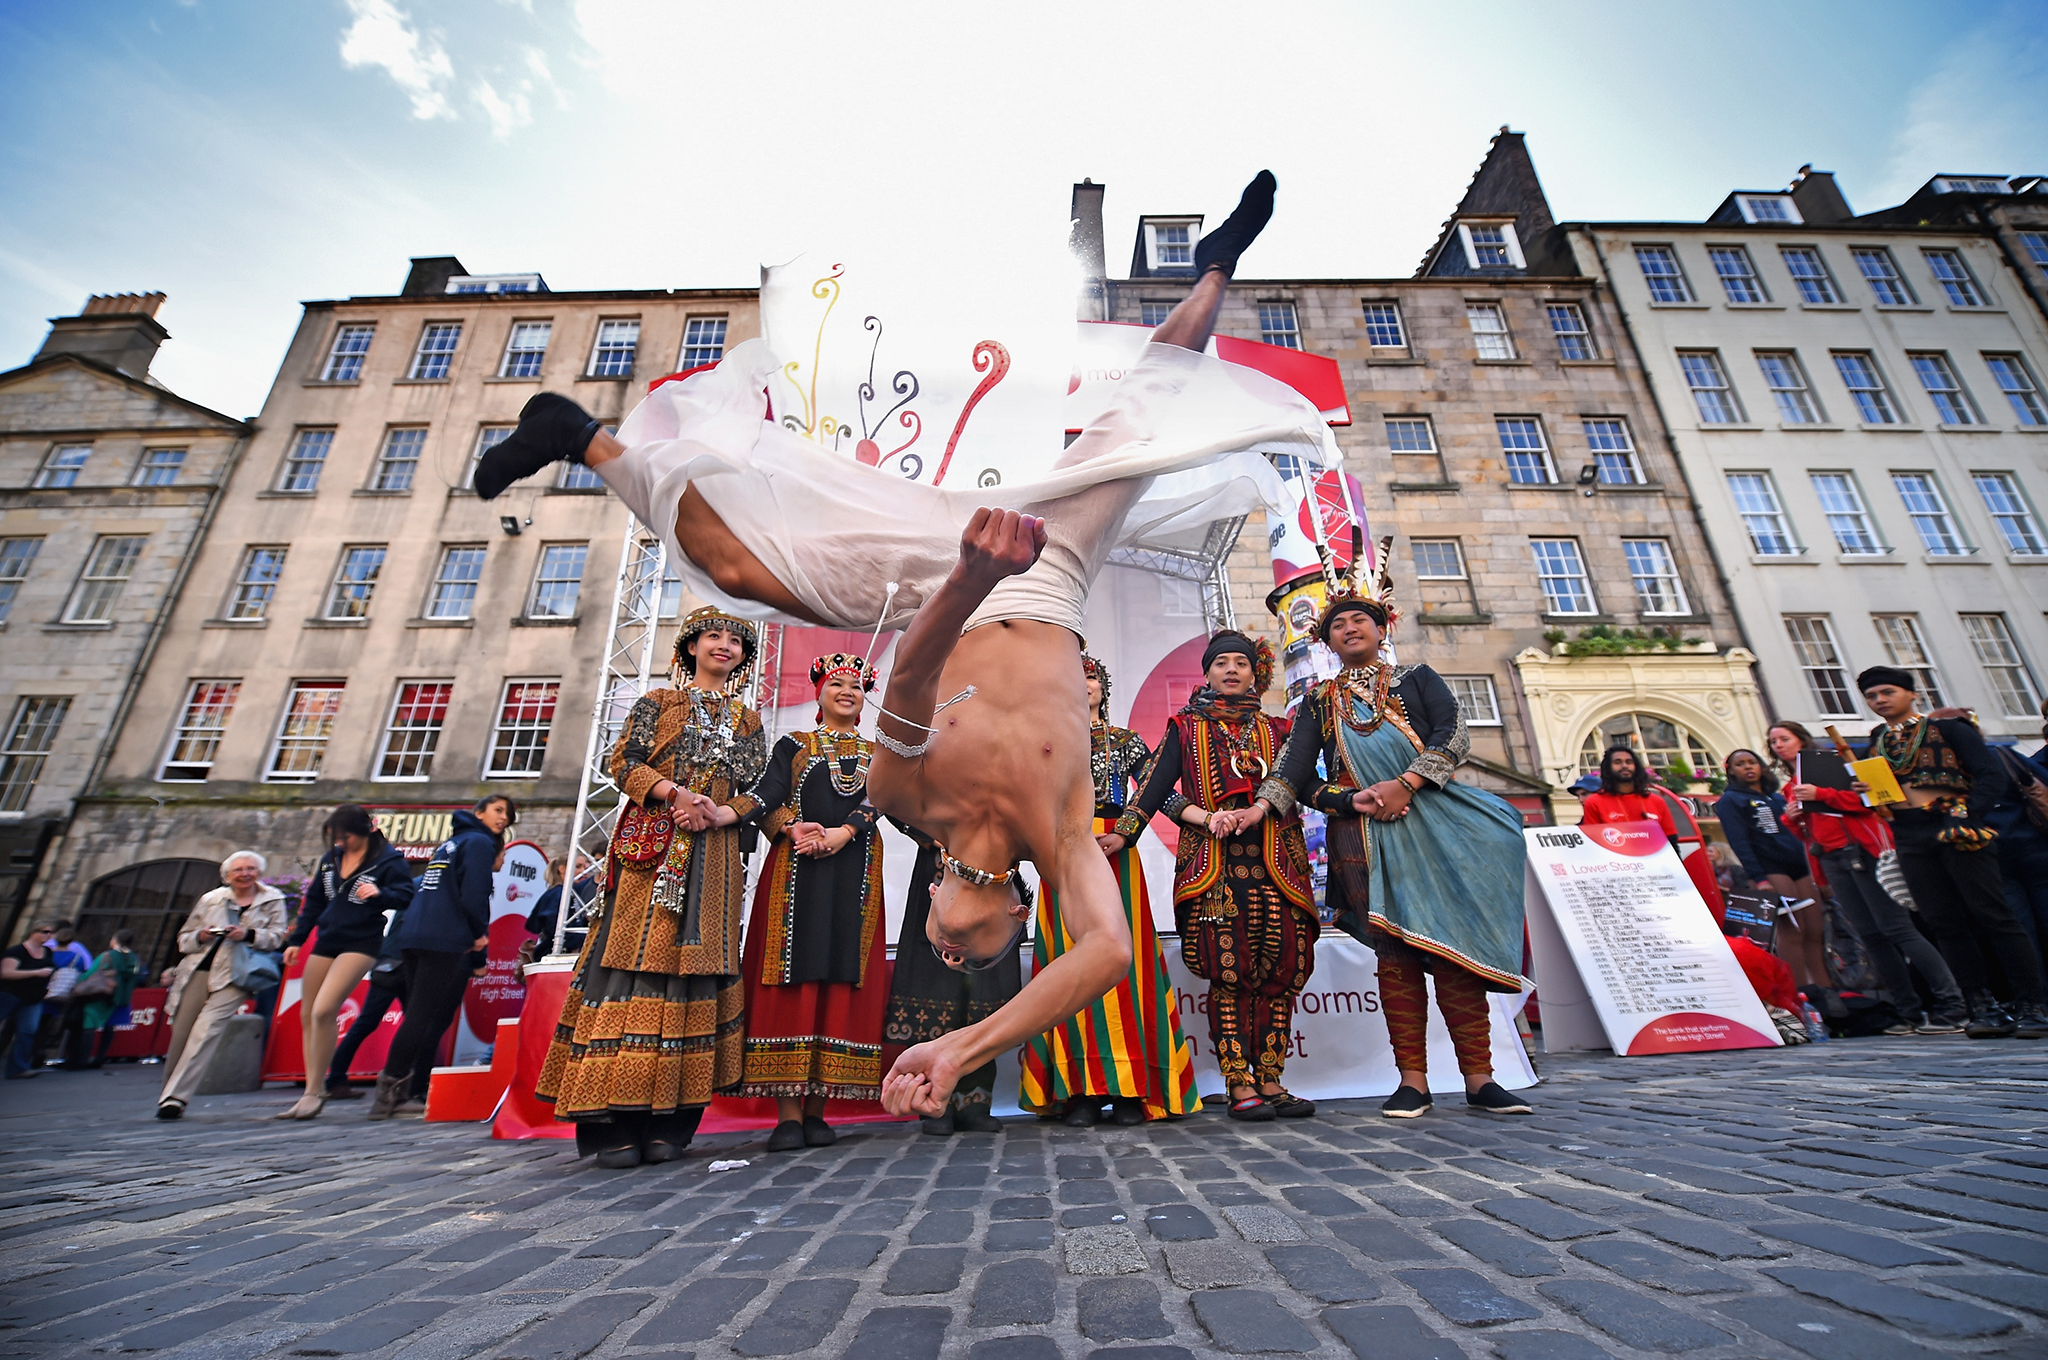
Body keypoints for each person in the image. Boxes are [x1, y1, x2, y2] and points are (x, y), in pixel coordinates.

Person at [467, 173, 1331, 1117]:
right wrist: (971, 1043)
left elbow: (911, 670)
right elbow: (1109, 955)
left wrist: (966, 577)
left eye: (945, 949)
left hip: (944, 579)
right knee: (1150, 406)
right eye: (975, 952)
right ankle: (1220, 264)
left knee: (743, 570)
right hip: (1052, 568)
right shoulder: (1060, 843)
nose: (951, 949)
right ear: (1017, 911)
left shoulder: (898, 797)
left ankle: (578, 436)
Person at [1252, 561, 1532, 1119]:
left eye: (1360, 619)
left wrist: (1406, 784)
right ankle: (1413, 1081)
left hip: (1434, 821)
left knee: (1454, 952)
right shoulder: (1316, 702)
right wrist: (1331, 801)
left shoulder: (1418, 678)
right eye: (1337, 624)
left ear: (1382, 630)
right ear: (1326, 639)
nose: (1350, 628)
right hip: (1360, 833)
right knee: (1394, 953)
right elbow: (1292, 773)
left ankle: (1480, 1078)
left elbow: (1453, 734)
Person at [536, 609, 764, 1166]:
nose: (724, 646)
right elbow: (623, 762)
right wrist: (673, 795)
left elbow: (758, 786)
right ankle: (612, 1119)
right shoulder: (656, 704)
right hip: (653, 849)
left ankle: (673, 1121)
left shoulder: (749, 720)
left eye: (735, 641)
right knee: (634, 957)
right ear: (690, 647)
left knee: (698, 968)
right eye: (713, 636)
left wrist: (720, 814)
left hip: (714, 855)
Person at [1121, 630, 1317, 1121]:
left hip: (1279, 865)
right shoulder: (1184, 728)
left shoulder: (1279, 729)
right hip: (1215, 869)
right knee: (1228, 973)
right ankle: (1237, 1080)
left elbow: (1304, 784)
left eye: (1241, 664)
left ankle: (1271, 1077)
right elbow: (1154, 786)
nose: (1232, 670)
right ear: (1207, 673)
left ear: (1255, 672)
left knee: (1280, 971)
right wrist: (1123, 834)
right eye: (1222, 663)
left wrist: (1350, 798)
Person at [1023, 653, 1199, 1126]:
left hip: (1116, 851)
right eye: (1072, 677)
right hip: (1061, 854)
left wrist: (1202, 819)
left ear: (1103, 687)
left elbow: (1159, 792)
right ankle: (1076, 1088)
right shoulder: (1043, 744)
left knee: (1129, 964)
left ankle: (1131, 1088)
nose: (1083, 685)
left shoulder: (1124, 741)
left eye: (1091, 677)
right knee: (1066, 962)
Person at [738, 653, 891, 1151]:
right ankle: (786, 1114)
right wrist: (790, 827)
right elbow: (767, 795)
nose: (846, 690)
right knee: (792, 975)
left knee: (841, 973)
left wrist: (846, 831)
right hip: (796, 871)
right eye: (836, 683)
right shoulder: (793, 745)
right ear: (820, 694)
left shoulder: (877, 752)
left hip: (856, 872)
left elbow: (885, 800)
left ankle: (819, 1109)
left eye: (855, 685)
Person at [1857, 666, 2048, 1038]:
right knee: (1944, 923)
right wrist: (1865, 790)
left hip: (1956, 826)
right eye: (1871, 696)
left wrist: (1969, 813)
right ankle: (1982, 1006)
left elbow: (1990, 775)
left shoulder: (1950, 730)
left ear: (1911, 694)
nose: (1879, 700)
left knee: (1994, 915)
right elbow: (1881, 793)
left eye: (1887, 692)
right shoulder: (1877, 739)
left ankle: (2032, 1004)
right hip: (1910, 834)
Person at [1769, 719, 1965, 1033]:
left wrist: (1822, 793)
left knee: (1897, 929)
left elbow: (1871, 802)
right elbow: (1809, 835)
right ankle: (1908, 1011)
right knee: (1870, 936)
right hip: (1833, 858)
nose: (1779, 745)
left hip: (1863, 850)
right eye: (1774, 741)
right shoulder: (1790, 786)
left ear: (1801, 740)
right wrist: (1792, 819)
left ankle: (1952, 1002)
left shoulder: (1840, 765)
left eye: (1784, 738)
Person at [371, 795, 513, 1117]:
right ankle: (391, 1093)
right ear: (478, 814)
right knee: (423, 1017)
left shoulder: (452, 843)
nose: (504, 818)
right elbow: (474, 894)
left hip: (415, 934)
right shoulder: (477, 843)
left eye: (508, 814)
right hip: (443, 937)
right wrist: (478, 933)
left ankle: (396, 1091)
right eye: (497, 811)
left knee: (419, 1016)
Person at [278, 806, 418, 1119]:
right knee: (307, 1015)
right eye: (336, 837)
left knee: (324, 1010)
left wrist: (380, 894)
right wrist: (297, 940)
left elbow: (406, 894)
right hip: (327, 940)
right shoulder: (331, 859)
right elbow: (314, 901)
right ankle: (312, 1090)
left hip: (362, 942)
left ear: (364, 830)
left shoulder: (388, 859)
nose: (341, 842)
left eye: (347, 836)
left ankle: (317, 1090)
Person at [882, 817, 1018, 1135]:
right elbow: (892, 800)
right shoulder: (925, 765)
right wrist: (928, 834)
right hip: (939, 871)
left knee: (985, 988)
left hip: (994, 873)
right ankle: (931, 1100)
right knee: (934, 985)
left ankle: (976, 1102)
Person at [157, 853, 290, 1119]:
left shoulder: (272, 899)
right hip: (199, 971)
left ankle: (176, 1098)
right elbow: (184, 939)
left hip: (238, 974)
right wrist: (201, 935)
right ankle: (167, 1093)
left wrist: (248, 934)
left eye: (250, 869)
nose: (245, 874)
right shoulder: (211, 899)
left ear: (258, 872)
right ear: (227, 875)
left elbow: (277, 937)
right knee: (182, 1036)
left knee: (206, 1031)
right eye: (238, 869)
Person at [1715, 750, 1830, 1006]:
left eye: (1752, 762)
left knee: (1815, 931)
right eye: (1740, 764)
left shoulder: (1776, 798)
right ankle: (1800, 996)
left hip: (1800, 865)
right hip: (1770, 869)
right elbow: (1740, 843)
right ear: (1731, 771)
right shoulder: (1730, 801)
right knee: (1792, 933)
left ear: (1762, 767)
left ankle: (1828, 994)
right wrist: (1759, 877)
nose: (1748, 768)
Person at [1578, 747, 1726, 922]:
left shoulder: (1656, 801)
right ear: (1607, 768)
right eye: (1617, 762)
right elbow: (1595, 848)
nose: (1624, 766)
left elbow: (1672, 844)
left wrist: (1678, 878)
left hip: (1660, 878)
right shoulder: (1595, 802)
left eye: (1629, 762)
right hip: (1622, 883)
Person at [66, 928, 142, 1069]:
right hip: (122, 997)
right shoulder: (135, 959)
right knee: (109, 1027)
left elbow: (91, 973)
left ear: (115, 940)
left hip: (101, 995)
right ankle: (99, 1059)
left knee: (89, 1026)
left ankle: (81, 1060)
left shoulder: (108, 956)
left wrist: (78, 985)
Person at [0, 920, 59, 1080]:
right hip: (10, 994)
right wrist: (36, 972)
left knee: (27, 1031)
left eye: (51, 933)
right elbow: (6, 973)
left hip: (33, 998)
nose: (48, 936)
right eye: (44, 932)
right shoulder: (17, 951)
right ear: (33, 932)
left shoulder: (47, 952)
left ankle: (17, 1068)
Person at [523, 854, 596, 962]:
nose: (583, 872)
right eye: (578, 866)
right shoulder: (556, 894)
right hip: (554, 957)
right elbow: (546, 925)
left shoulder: (573, 893)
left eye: (585, 868)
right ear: (562, 869)